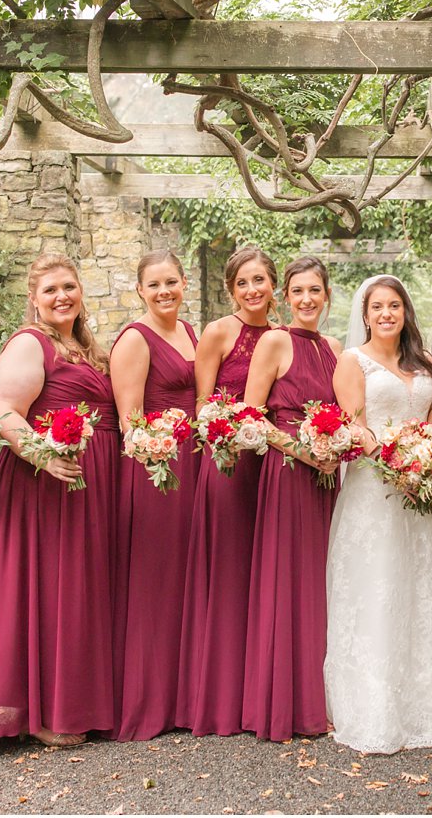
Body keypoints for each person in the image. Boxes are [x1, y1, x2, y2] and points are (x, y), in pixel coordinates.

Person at [324, 275, 432, 753]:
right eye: (377, 307)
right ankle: (375, 709)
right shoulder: (351, 362)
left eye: (394, 305)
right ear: (365, 314)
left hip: (422, 491)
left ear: (405, 311)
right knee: (380, 585)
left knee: (429, 581)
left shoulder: (425, 362)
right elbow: (355, 426)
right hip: (376, 488)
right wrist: (398, 462)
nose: (386, 314)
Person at [0, 254, 119, 746]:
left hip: (88, 485)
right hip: (45, 485)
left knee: (80, 591)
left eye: (69, 287)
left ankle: (79, 701)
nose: (62, 297)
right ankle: (42, 712)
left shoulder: (85, 347)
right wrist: (43, 455)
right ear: (33, 299)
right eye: (51, 290)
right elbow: (3, 412)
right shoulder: (29, 344)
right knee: (50, 588)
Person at [176, 246, 278, 736]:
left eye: (260, 279)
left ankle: (263, 687)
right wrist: (227, 434)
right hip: (229, 464)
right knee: (231, 573)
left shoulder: (286, 337)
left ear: (273, 283)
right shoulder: (217, 333)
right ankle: (222, 696)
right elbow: (202, 403)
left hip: (278, 469)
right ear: (229, 289)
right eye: (243, 283)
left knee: (269, 578)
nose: (252, 290)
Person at [241, 256, 342, 742]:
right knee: (290, 583)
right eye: (298, 291)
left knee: (324, 584)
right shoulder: (274, 341)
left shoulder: (335, 349)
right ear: (285, 296)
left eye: (315, 291)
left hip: (327, 481)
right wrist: (303, 451)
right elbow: (250, 415)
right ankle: (288, 704)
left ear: (327, 296)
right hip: (286, 475)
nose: (306, 300)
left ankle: (324, 697)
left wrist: (334, 448)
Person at [108, 251, 201, 740]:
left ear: (184, 283)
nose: (164, 291)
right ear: (140, 290)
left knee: (188, 578)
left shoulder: (191, 334)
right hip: (156, 472)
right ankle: (149, 702)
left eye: (171, 282)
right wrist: (158, 454)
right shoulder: (134, 339)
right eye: (154, 284)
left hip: (196, 467)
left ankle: (186, 696)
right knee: (156, 581)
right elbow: (130, 420)